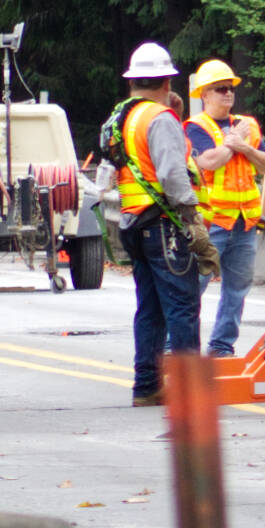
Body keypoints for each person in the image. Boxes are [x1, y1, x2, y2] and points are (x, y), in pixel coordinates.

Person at [108, 42, 218, 408]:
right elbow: (172, 175)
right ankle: (191, 392)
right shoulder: (161, 119)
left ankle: (147, 386)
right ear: (167, 80)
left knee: (150, 308)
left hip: (133, 223)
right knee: (183, 307)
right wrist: (193, 220)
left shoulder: (124, 116)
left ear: (133, 82)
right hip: (163, 226)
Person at [185, 59, 265, 358]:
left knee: (237, 288)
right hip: (211, 222)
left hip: (245, 222)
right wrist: (232, 144)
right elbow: (207, 161)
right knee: (193, 287)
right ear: (204, 95)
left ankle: (221, 347)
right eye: (220, 89)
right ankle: (182, 347)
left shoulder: (247, 125)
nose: (228, 94)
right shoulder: (195, 127)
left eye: (230, 88)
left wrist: (246, 147)